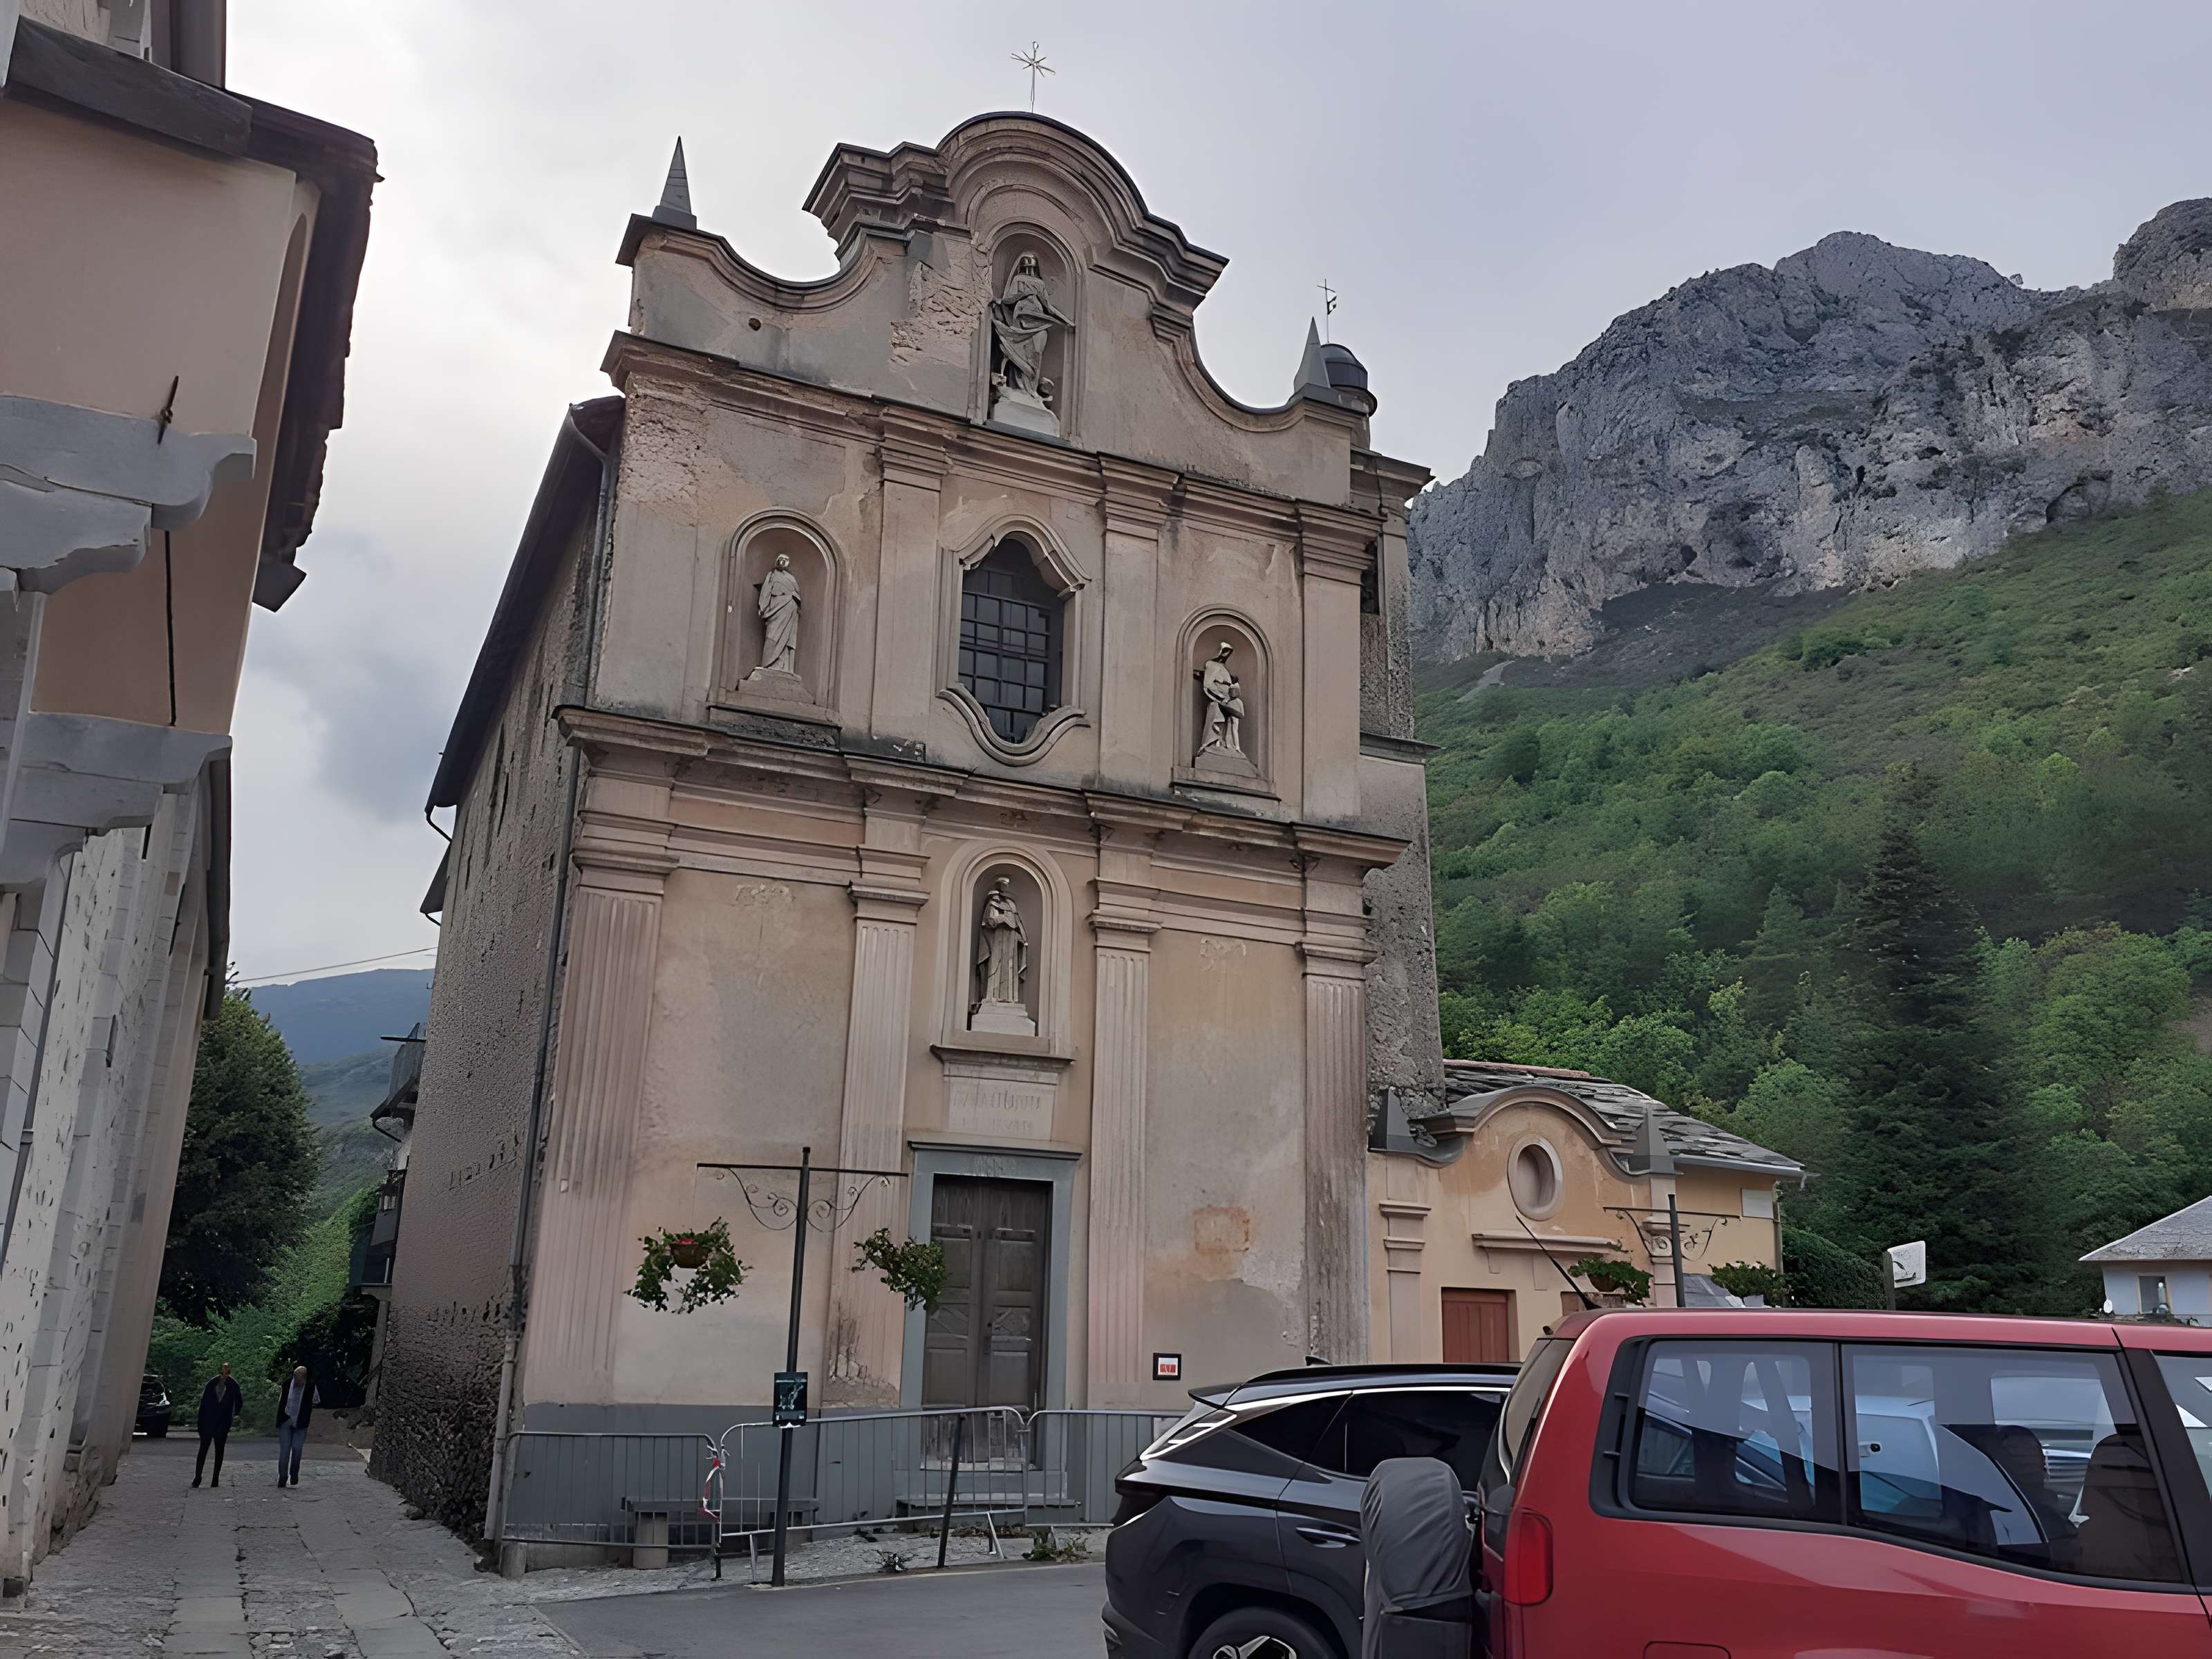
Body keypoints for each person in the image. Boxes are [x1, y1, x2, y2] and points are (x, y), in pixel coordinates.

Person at [192, 1362, 243, 1488]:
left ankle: (215, 1479)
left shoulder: (233, 1385)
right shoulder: (212, 1383)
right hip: (208, 1421)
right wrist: (200, 1423)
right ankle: (197, 1477)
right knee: (203, 1449)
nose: (225, 1370)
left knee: (219, 1450)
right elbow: (203, 1404)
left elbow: (239, 1402)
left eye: (227, 1368)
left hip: (222, 1422)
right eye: (224, 1368)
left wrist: (233, 1414)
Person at [274, 1363, 318, 1488]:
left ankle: (294, 1475)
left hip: (301, 1422)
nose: (296, 1380)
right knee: (285, 1450)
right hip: (286, 1419)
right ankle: (283, 1477)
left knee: (297, 1449)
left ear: (304, 1377)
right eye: (295, 1377)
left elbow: (315, 1401)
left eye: (299, 1377)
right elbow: (281, 1402)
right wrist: (279, 1421)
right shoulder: (288, 1384)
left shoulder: (310, 1387)